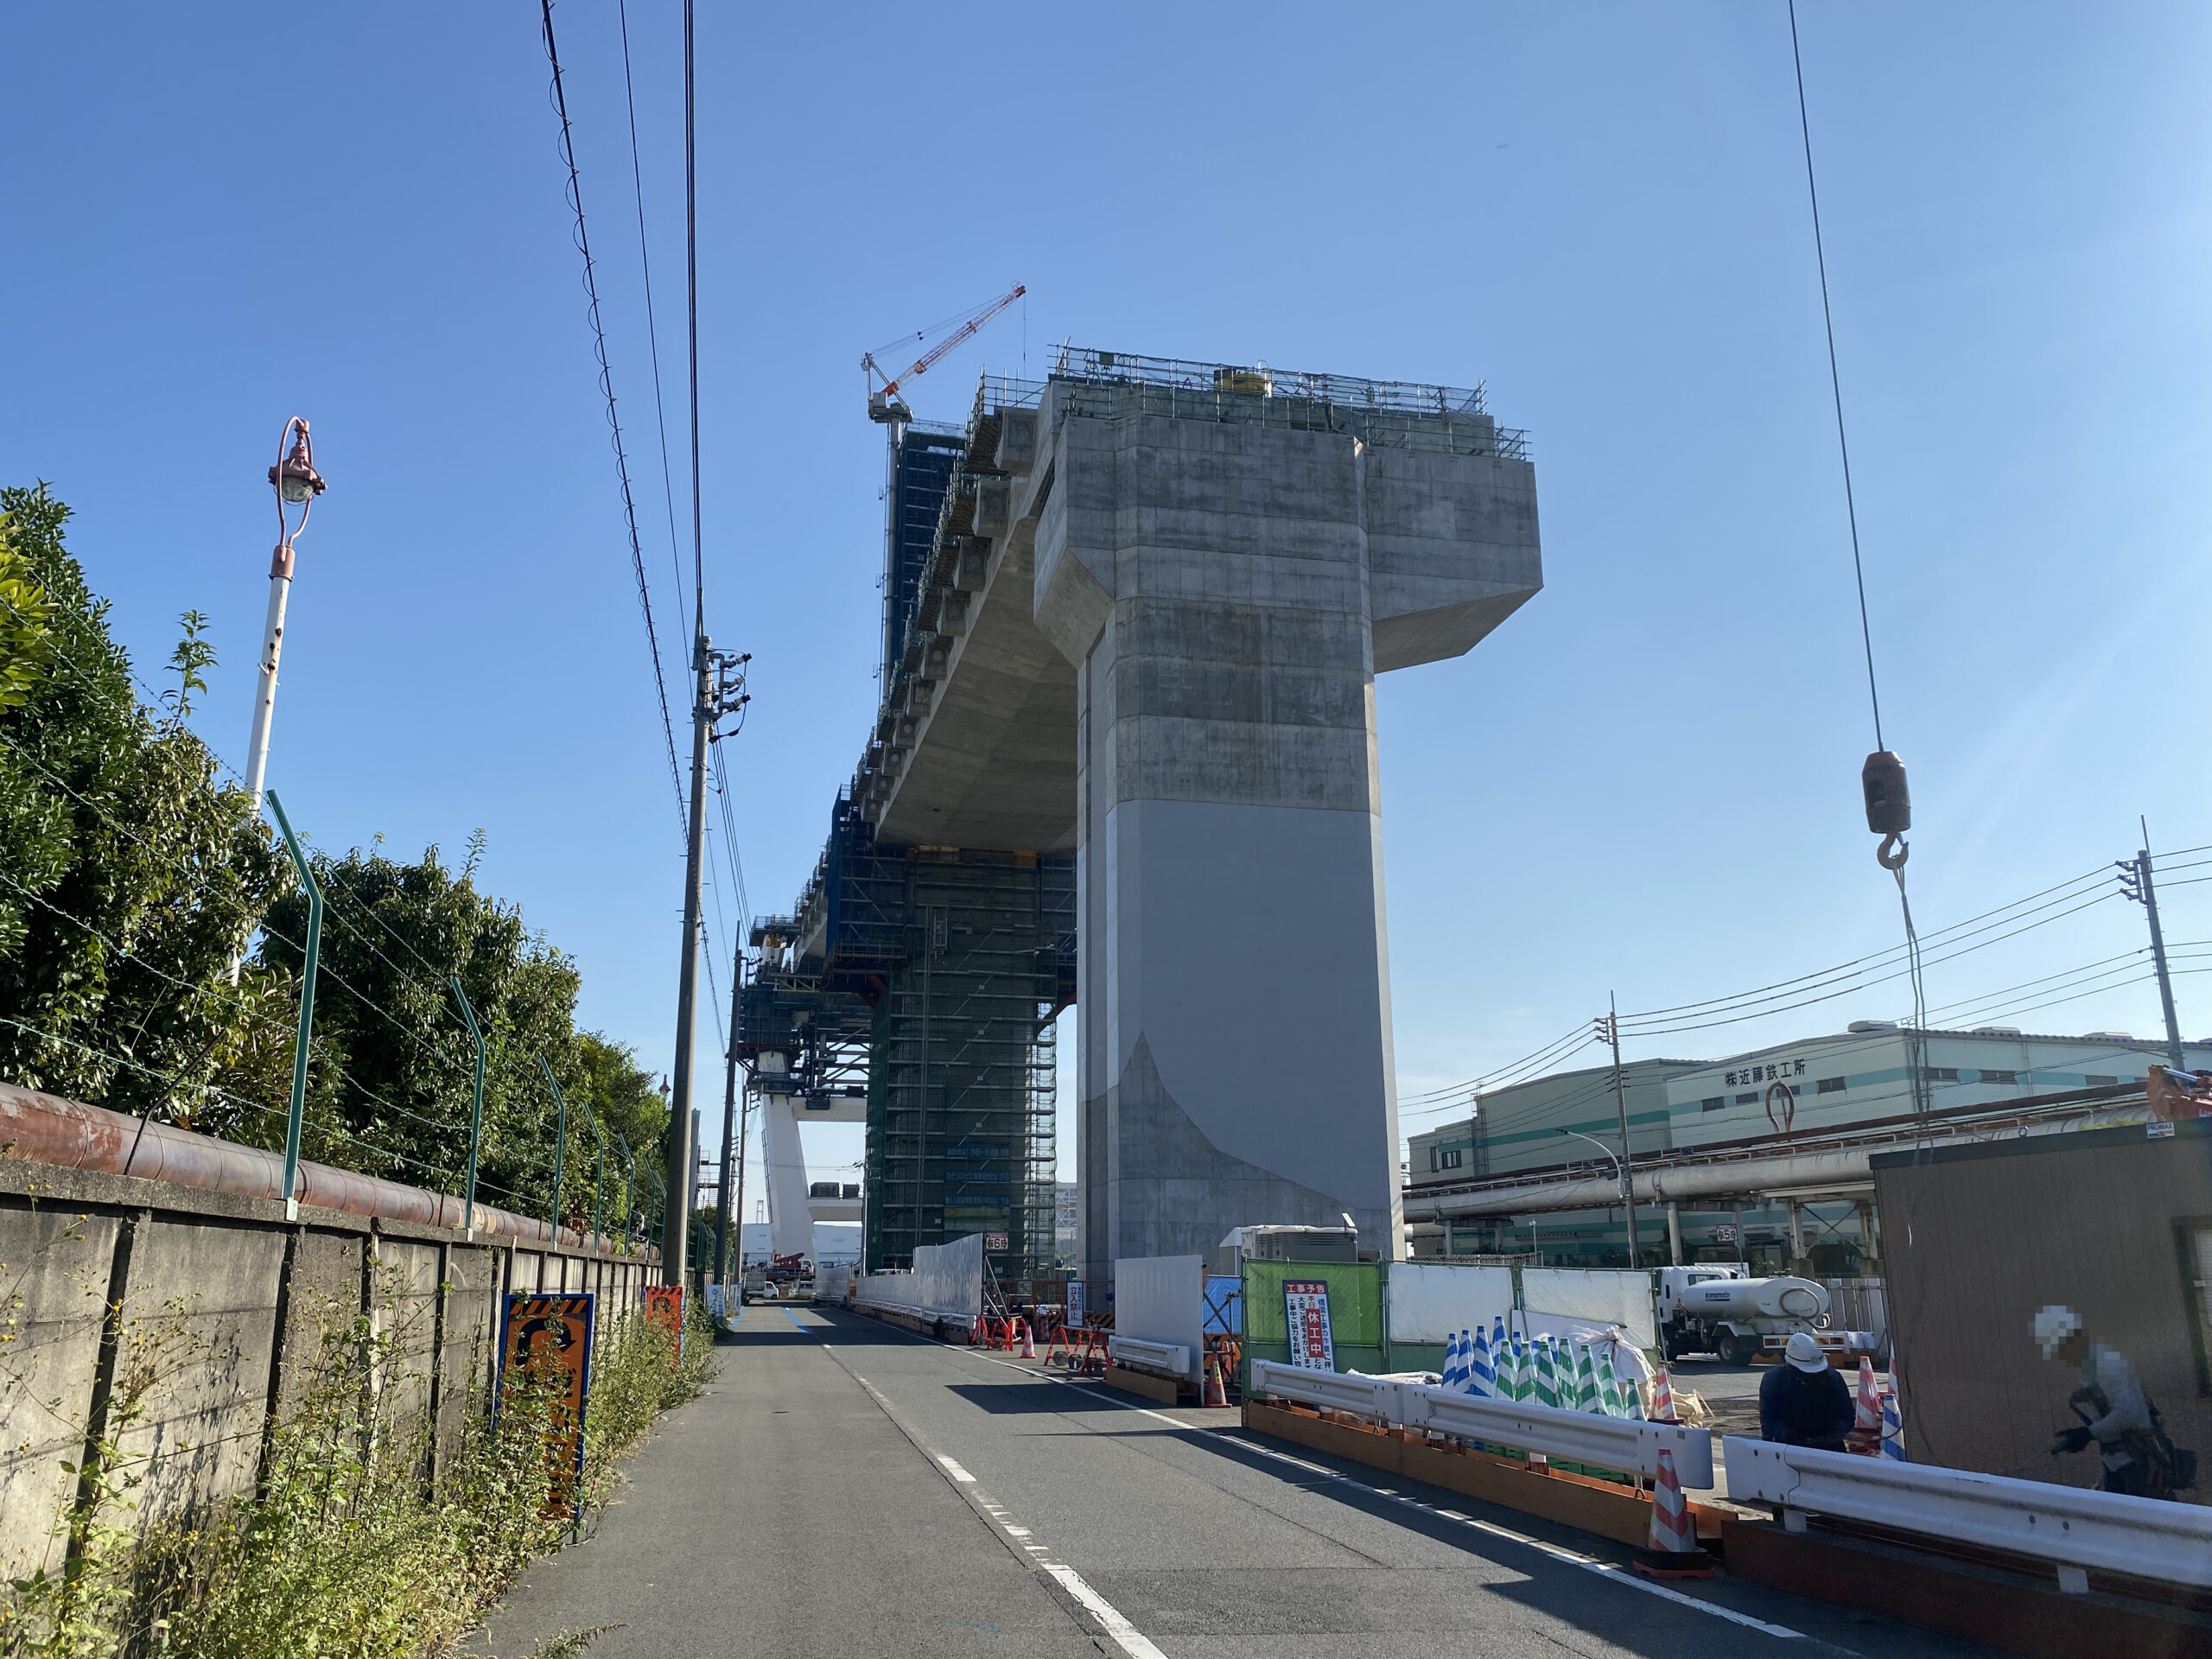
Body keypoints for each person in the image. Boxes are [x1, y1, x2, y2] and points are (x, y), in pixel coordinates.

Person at [2036, 1305, 2191, 1499]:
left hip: (2138, 1462)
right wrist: (2081, 1436)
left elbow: (2128, 1413)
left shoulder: (2106, 1363)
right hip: (2117, 1461)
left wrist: (2088, 1433)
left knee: (2143, 1514)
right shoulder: (2088, 1365)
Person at [1759, 1332, 1854, 1450]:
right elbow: (1769, 1419)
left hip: (1829, 1443)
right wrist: (1789, 1437)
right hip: (1789, 1446)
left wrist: (1834, 1434)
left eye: (1818, 1373)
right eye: (1809, 1373)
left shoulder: (1833, 1379)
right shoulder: (1775, 1380)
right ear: (1792, 1366)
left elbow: (1846, 1413)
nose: (1814, 1375)